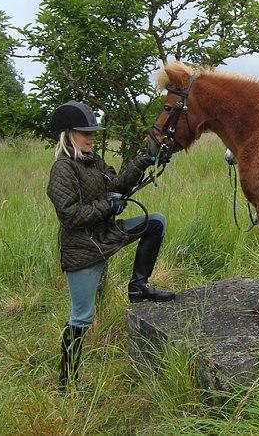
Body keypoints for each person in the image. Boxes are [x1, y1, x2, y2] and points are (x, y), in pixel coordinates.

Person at [46, 100, 176, 388]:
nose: (91, 136)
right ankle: (67, 381)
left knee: (155, 222)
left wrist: (143, 161)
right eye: (84, 132)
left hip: (107, 235)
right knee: (82, 317)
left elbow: (117, 186)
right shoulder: (63, 169)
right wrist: (107, 206)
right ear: (68, 134)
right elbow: (70, 217)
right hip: (83, 248)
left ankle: (138, 286)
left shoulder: (93, 162)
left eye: (93, 131)